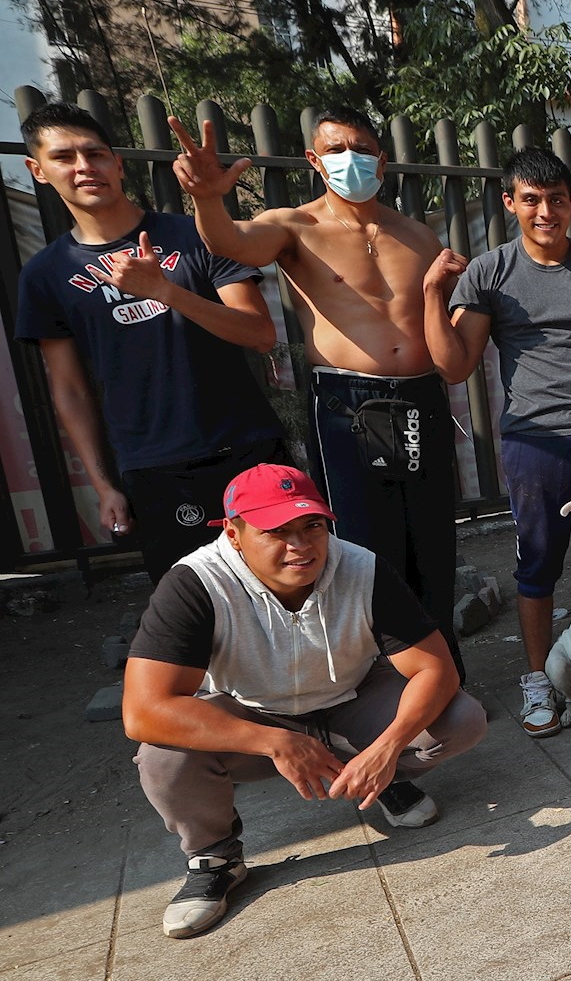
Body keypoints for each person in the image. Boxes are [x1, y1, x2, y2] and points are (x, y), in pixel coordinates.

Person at [124, 464, 483, 938]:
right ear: (233, 533)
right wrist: (272, 741)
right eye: (276, 531)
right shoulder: (195, 583)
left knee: (460, 717)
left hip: (351, 699)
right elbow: (144, 709)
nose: (301, 545)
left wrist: (387, 748)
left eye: (312, 526)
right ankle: (216, 857)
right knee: (162, 753)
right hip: (251, 711)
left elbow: (436, 668)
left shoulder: (360, 566)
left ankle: (378, 778)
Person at [170, 108, 468, 675]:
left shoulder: (418, 233)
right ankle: (382, 677)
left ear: (381, 159)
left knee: (433, 543)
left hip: (419, 398)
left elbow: (437, 319)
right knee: (363, 547)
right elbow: (234, 241)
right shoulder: (294, 226)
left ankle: (443, 671)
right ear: (314, 159)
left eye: (359, 147)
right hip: (347, 403)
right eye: (335, 149)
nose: (348, 158)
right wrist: (209, 199)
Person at [423, 147, 571, 737]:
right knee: (539, 562)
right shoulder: (489, 272)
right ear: (510, 203)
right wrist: (430, 296)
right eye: (531, 199)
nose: (545, 211)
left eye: (556, 199)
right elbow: (454, 366)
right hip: (534, 442)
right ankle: (537, 680)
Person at [14, 102, 283, 582]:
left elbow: (260, 334)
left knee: (287, 589)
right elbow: (70, 390)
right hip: (153, 469)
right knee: (197, 613)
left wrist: (165, 291)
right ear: (38, 170)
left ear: (117, 163)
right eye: (64, 157)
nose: (83, 167)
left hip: (246, 448)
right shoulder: (44, 275)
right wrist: (104, 486)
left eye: (95, 154)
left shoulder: (196, 235)